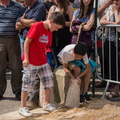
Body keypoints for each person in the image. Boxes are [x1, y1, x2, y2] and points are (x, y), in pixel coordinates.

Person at [19, 12, 65, 117]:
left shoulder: (50, 31)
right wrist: (26, 58)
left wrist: (47, 61)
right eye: (56, 27)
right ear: (51, 21)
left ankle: (46, 103)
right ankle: (22, 107)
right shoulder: (37, 26)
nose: (56, 29)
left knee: (48, 81)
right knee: (27, 84)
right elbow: (27, 41)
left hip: (42, 61)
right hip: (31, 61)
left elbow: (46, 47)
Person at [16, 0, 46, 108]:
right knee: (27, 70)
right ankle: (28, 98)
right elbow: (17, 26)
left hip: (36, 42)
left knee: (36, 69)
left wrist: (22, 20)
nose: (23, 0)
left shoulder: (40, 7)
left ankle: (33, 99)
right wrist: (25, 21)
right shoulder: (24, 8)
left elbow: (34, 23)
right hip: (25, 41)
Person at [0, 0, 22, 100]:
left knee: (16, 67)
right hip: (0, 40)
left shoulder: (17, 7)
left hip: (13, 39)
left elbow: (21, 20)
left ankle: (18, 91)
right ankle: (0, 92)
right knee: (0, 68)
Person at [100, 0, 120, 98]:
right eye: (114, 0)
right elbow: (101, 21)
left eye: (118, 0)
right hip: (110, 40)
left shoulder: (115, 10)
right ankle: (115, 89)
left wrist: (116, 12)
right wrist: (113, 22)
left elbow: (119, 22)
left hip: (118, 41)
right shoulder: (110, 9)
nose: (115, 2)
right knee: (113, 65)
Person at [47, 0, 74, 68]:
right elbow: (48, 21)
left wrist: (60, 23)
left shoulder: (69, 8)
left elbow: (72, 23)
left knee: (64, 59)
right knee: (56, 59)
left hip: (65, 36)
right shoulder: (52, 8)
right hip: (54, 36)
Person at [96, 0, 113, 88]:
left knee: (114, 58)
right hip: (100, 33)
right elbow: (96, 13)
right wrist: (107, 4)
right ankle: (104, 79)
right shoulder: (99, 1)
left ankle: (113, 81)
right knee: (102, 56)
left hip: (114, 35)